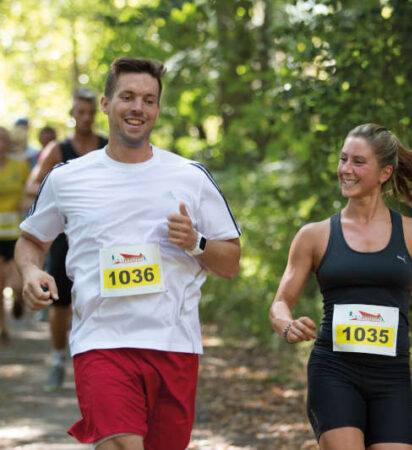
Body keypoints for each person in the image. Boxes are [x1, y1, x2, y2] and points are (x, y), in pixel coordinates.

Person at [16, 56, 242, 450]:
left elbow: (231, 262)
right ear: (106, 103)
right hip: (101, 342)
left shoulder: (190, 176)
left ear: (157, 108)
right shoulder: (69, 178)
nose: (139, 107)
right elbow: (32, 241)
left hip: (173, 345)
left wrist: (196, 242)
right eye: (128, 96)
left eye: (149, 99)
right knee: (121, 443)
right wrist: (31, 272)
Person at [269, 123, 412, 449]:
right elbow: (279, 304)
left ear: (385, 172)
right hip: (333, 371)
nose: (346, 170)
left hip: (391, 378)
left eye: (358, 162)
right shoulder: (315, 235)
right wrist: (287, 325)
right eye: (343, 159)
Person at [24, 87, 108, 391]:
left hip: (101, 235)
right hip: (64, 235)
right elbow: (32, 187)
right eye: (80, 112)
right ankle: (58, 358)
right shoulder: (58, 150)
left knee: (104, 295)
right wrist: (65, 191)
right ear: (72, 115)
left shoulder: (107, 146)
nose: (85, 118)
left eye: (90, 113)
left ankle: (101, 359)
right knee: (60, 302)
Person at [0, 126, 30, 344]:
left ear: (9, 143)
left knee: (18, 285)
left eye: (4, 140)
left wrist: (27, 202)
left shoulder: (20, 167)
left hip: (15, 234)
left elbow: (32, 191)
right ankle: (3, 329)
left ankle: (19, 300)